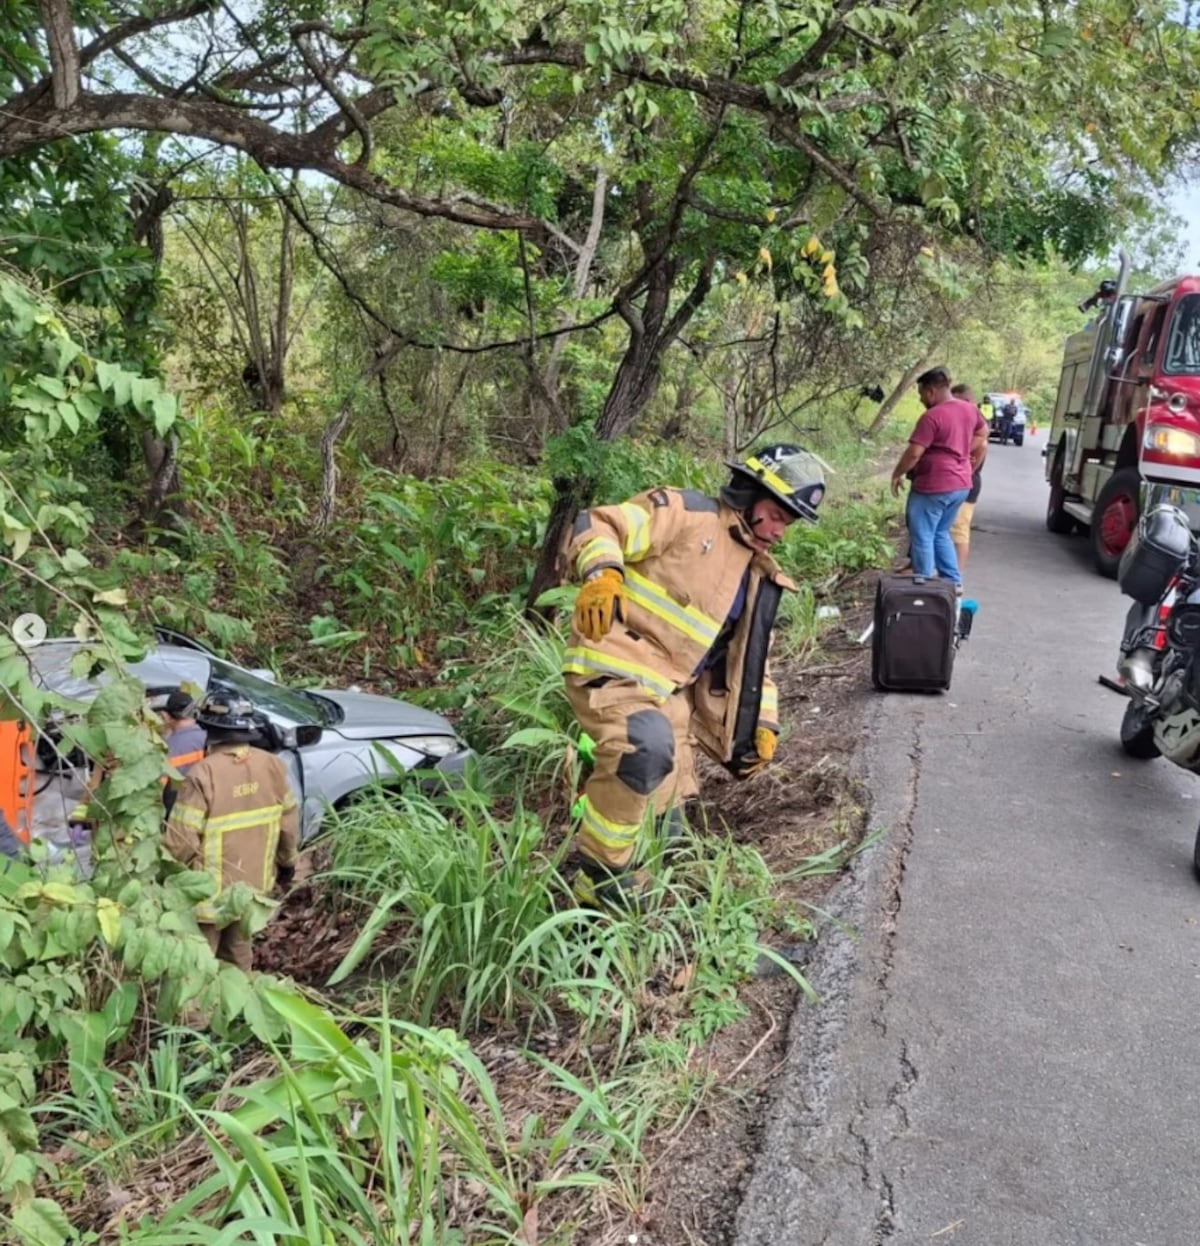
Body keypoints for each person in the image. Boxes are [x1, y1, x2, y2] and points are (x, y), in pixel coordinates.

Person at [563, 444, 826, 909]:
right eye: (777, 516)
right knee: (642, 749)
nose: (781, 532)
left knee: (670, 829)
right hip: (616, 668)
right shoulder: (686, 514)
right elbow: (599, 523)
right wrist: (601, 573)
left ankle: (652, 906)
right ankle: (600, 883)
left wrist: (763, 723)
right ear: (749, 494)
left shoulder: (755, 574)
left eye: (790, 523)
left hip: (672, 696)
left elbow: (751, 661)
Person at [164, 694, 299, 971]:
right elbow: (288, 826)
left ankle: (195, 1016)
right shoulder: (272, 765)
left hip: (207, 898)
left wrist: (167, 882)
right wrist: (287, 864)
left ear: (209, 728)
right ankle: (237, 1014)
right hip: (250, 891)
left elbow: (180, 843)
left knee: (197, 969)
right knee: (238, 963)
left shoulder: (203, 774)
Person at [890, 367, 987, 590]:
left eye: (922, 394)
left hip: (934, 485)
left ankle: (923, 587)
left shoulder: (932, 416)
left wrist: (898, 473)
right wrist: (962, 452)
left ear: (931, 391)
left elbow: (914, 453)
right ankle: (954, 584)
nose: (921, 399)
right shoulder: (970, 410)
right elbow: (983, 434)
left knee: (923, 534)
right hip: (961, 484)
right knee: (941, 533)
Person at [948, 383, 987, 575]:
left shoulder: (974, 420)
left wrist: (966, 467)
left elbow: (981, 448)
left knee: (959, 531)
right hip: (956, 483)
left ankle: (957, 575)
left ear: (968, 401)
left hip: (967, 485)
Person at [156, 685, 208, 815]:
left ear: (166, 716)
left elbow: (158, 790)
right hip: (205, 803)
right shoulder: (209, 739)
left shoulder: (168, 750)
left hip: (178, 809)